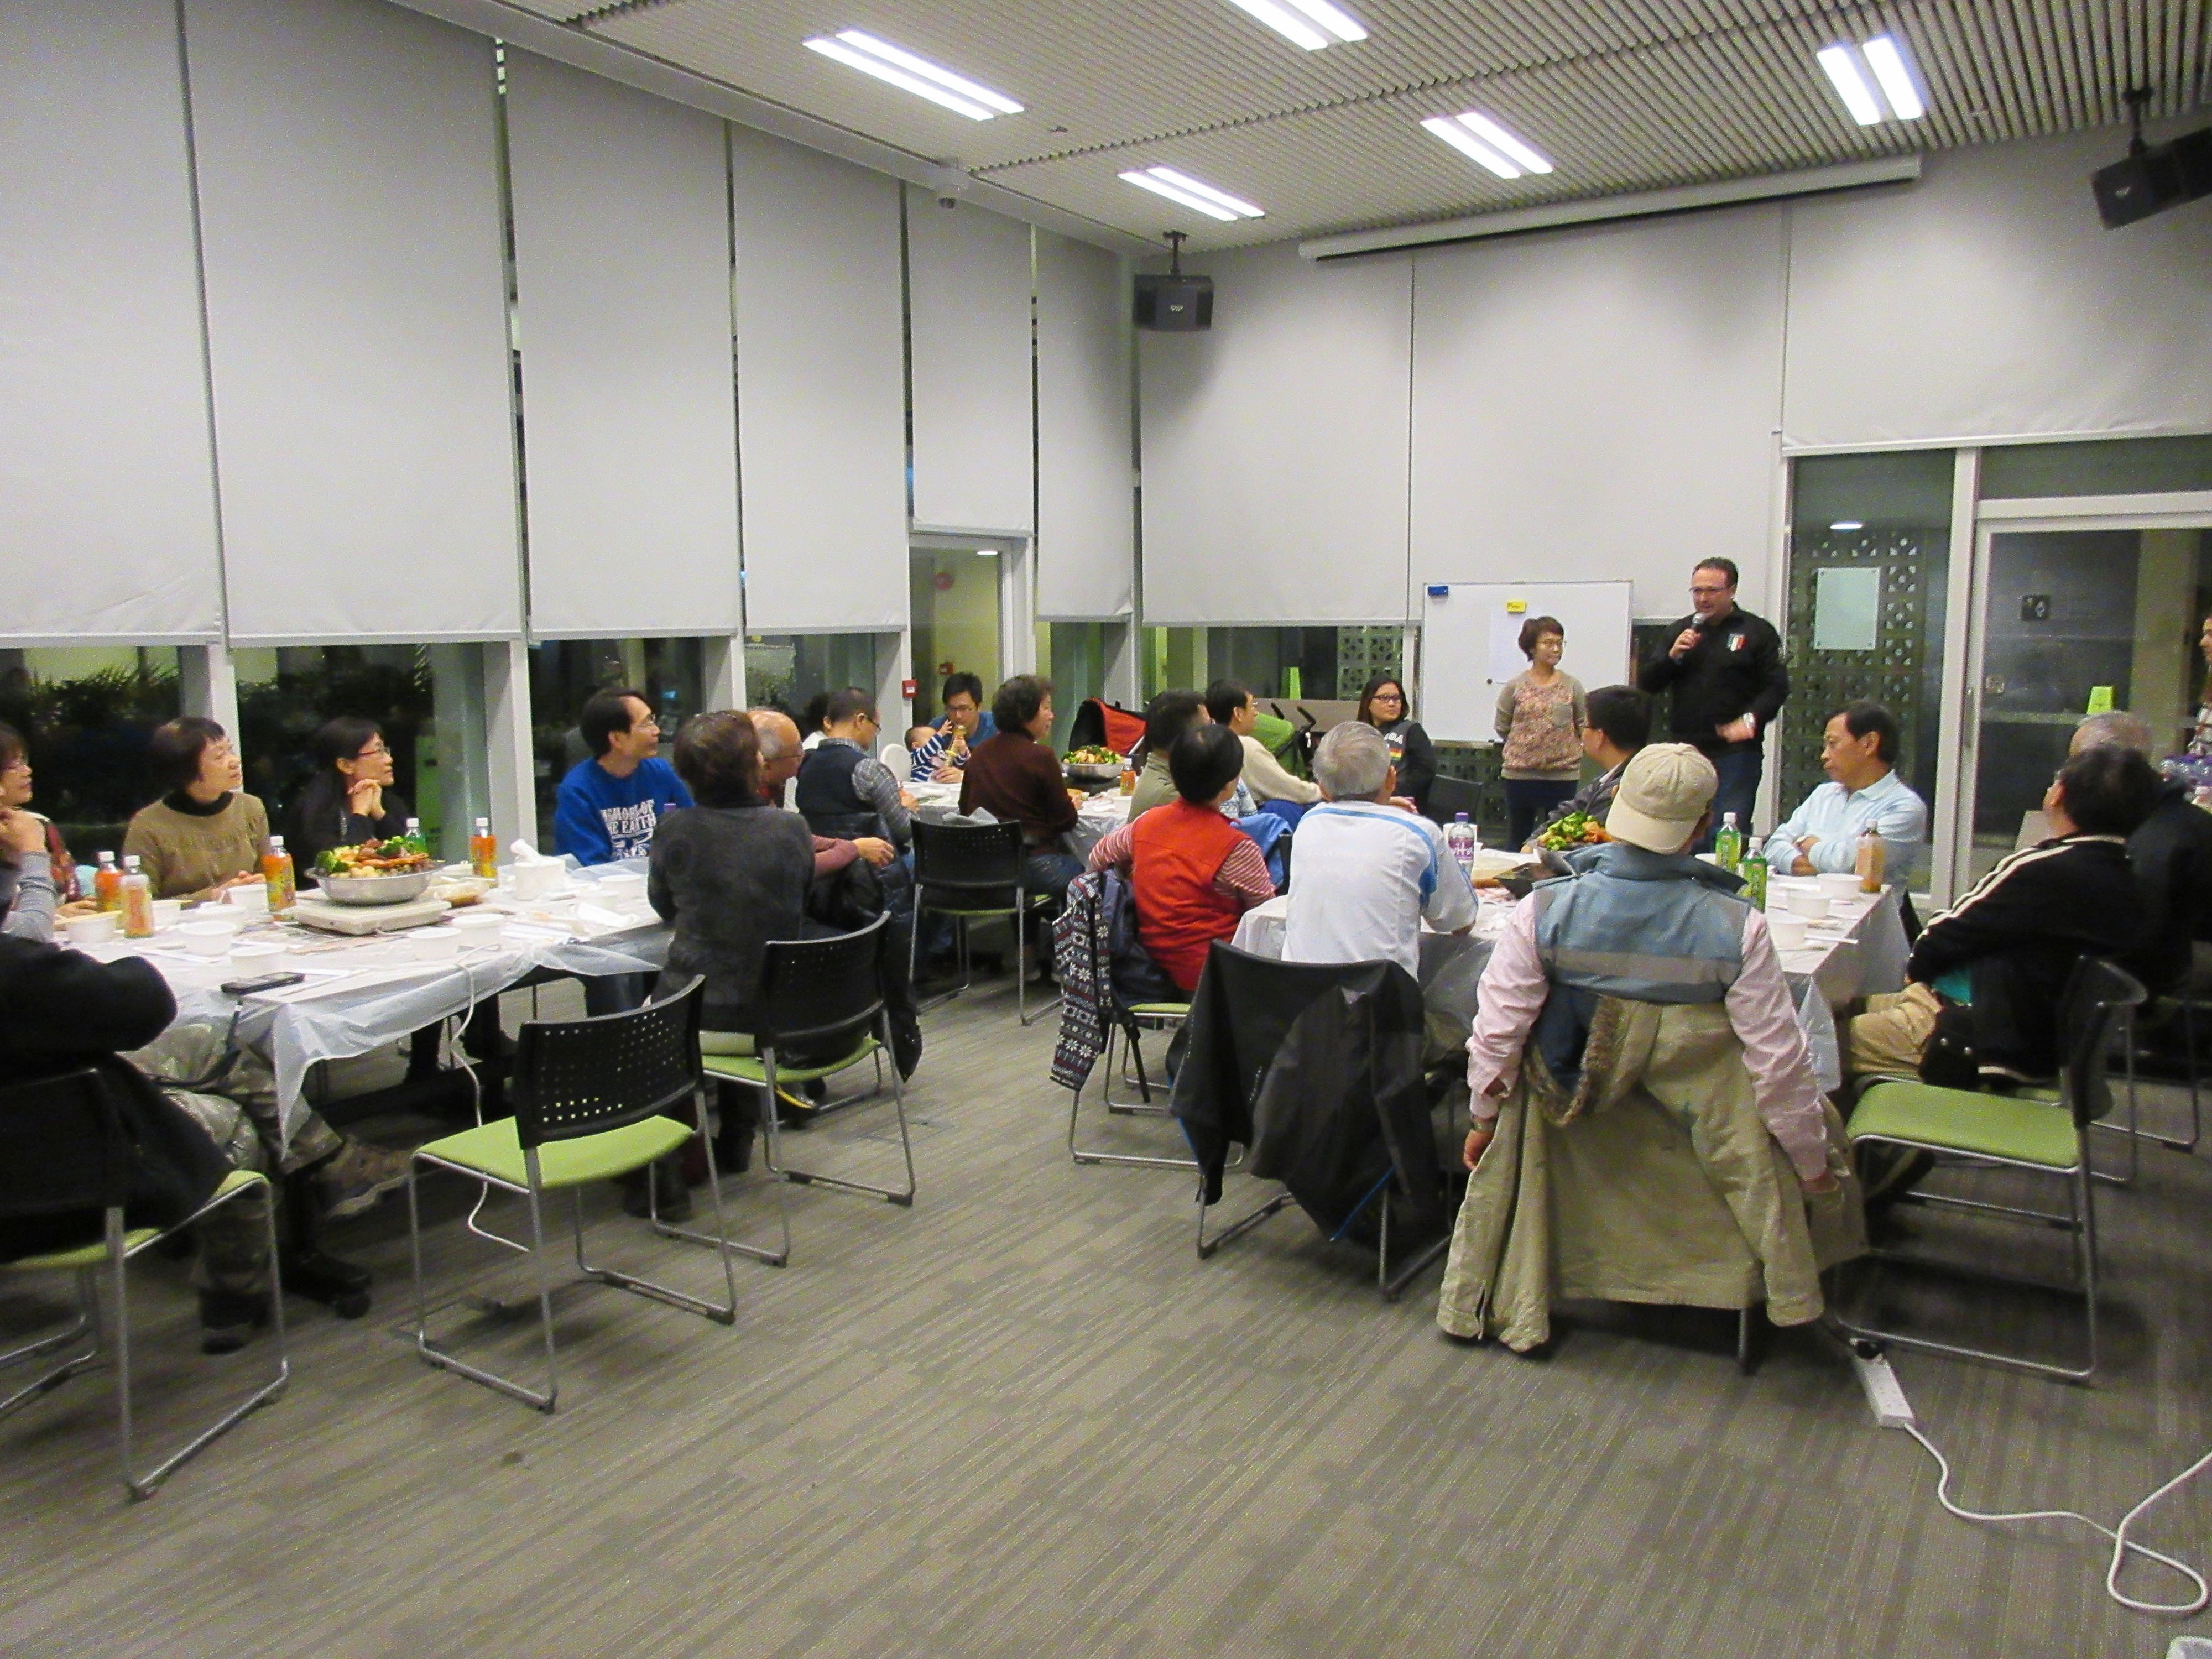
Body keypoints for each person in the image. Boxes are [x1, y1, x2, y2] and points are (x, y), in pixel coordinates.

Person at [1459, 742, 1835, 1190]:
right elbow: (1778, 1065)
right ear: (1705, 823)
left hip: (1565, 1169)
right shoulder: (1740, 929)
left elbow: (1499, 1035)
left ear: (1616, 805)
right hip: (1701, 1171)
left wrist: (1483, 1118)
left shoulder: (1543, 913)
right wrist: (1811, 1164)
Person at [1844, 745, 2158, 1088]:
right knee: (1840, 1005)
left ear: (2059, 795)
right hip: (2040, 1038)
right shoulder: (2133, 880)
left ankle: (1848, 1120)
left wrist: (1918, 972)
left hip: (1972, 1032)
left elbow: (1941, 937)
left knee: (1812, 1038)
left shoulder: (2041, 869)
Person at [1084, 724, 1275, 995]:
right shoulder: (1237, 848)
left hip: (1145, 968)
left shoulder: (1145, 825)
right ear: (1229, 785)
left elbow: (1097, 857)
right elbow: (1263, 916)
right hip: (1215, 977)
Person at [1282, 721, 1475, 978]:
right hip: (1380, 998)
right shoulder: (1418, 834)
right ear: (1392, 778)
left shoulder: (1308, 824)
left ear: (1323, 788)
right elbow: (1461, 922)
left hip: (1301, 994)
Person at [1636, 558, 1788, 846]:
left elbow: (1776, 687)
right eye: (1697, 591)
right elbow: (1648, 684)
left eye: (1712, 591)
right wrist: (1671, 657)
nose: (1703, 598)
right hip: (1686, 751)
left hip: (1735, 753)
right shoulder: (1680, 631)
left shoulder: (1757, 632)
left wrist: (1750, 720)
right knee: (1682, 829)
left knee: (1726, 829)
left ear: (1732, 591)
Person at [2070, 711, 2212, 995]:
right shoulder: (2164, 819)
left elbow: (2137, 937)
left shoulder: (2159, 837)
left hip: (2164, 985)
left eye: (2074, 765)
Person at [960, 675, 1086, 948]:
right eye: (1046, 708)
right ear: (1025, 714)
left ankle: (1027, 952)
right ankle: (1068, 955)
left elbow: (965, 809)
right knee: (1089, 874)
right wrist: (1071, 804)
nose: (1052, 715)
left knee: (1021, 870)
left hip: (985, 866)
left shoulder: (979, 754)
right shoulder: (1041, 757)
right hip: (1034, 866)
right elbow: (1066, 821)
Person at [1761, 700, 1928, 886]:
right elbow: (1773, 846)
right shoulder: (1823, 794)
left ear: (1869, 744)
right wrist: (1798, 862)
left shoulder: (1904, 807)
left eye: (1833, 744)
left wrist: (1808, 845)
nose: (1824, 755)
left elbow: (1851, 865)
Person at [122, 717, 270, 901]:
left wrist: (261, 883)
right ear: (186, 769)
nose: (235, 761)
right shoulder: (148, 825)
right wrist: (214, 896)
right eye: (219, 756)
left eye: (230, 750)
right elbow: (141, 903)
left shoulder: (251, 808)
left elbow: (271, 873)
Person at [552, 687, 692, 866]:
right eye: (647, 723)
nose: (657, 730)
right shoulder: (577, 791)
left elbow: (692, 826)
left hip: (660, 878)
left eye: (653, 720)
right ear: (617, 739)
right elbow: (590, 867)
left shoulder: (661, 772)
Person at [1493, 615, 1590, 848]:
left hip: (1562, 775)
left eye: (1559, 643)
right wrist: (1528, 745)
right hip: (1520, 775)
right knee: (1519, 838)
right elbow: (1503, 726)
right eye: (1548, 643)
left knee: (1558, 839)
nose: (1556, 649)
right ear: (1532, 648)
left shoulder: (1572, 686)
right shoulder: (1515, 686)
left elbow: (1583, 724)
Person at [1525, 685, 1651, 848]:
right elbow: (1571, 810)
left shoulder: (1628, 787)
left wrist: (1536, 847)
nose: (1581, 733)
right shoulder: (1607, 778)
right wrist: (1533, 842)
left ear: (1600, 736)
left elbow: (1589, 842)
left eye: (1584, 725)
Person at [796, 687, 914, 852]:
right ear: (861, 720)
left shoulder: (805, 763)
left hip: (821, 858)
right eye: (876, 727)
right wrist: (907, 808)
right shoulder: (869, 769)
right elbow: (904, 831)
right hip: (871, 862)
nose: (875, 734)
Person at [290, 716, 411, 872]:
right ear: (345, 765)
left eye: (385, 750)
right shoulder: (315, 810)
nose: (389, 759)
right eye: (379, 751)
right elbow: (338, 867)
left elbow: (411, 856)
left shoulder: (388, 801)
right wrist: (359, 815)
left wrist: (380, 814)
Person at [1, 722, 81, 942]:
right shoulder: (30, 834)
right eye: (12, 765)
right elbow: (32, 933)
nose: (27, 771)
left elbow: (67, 889)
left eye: (24, 761)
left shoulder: (35, 824)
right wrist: (32, 850)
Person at [1206, 679, 1318, 806]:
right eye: (1252, 706)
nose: (1256, 713)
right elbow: (1292, 790)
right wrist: (1321, 791)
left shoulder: (1206, 742)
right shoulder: (1245, 746)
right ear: (1238, 714)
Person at [1355, 674, 1436, 817]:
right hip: (1363, 805)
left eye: (1396, 698)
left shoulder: (1411, 730)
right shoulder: (1359, 733)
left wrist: (1389, 795)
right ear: (1368, 702)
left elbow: (1424, 772)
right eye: (1384, 698)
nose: (1392, 704)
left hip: (1401, 806)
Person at [1128, 690, 1209, 818]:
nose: (1213, 737)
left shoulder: (1172, 776)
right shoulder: (1170, 795)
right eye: (1207, 730)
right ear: (1184, 741)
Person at [907, 672, 997, 783]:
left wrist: (964, 776)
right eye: (952, 709)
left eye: (964, 708)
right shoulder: (937, 729)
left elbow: (1004, 771)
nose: (958, 716)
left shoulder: (996, 726)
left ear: (979, 706)